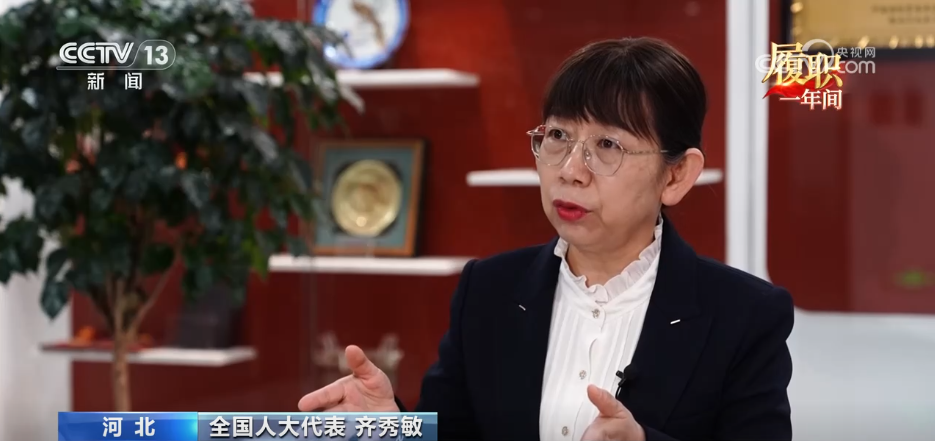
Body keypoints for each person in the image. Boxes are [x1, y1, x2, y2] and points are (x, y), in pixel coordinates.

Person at [298, 37, 794, 441]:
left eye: (608, 144)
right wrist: (394, 426)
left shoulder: (744, 315)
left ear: (677, 175)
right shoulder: (488, 290)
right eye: (557, 137)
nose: (571, 170)